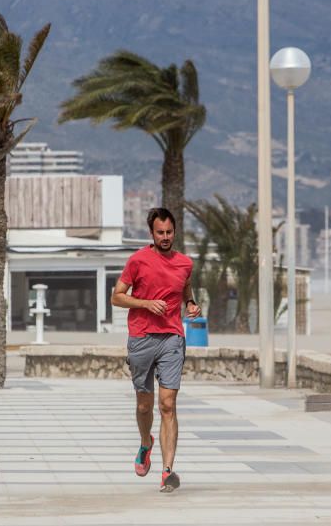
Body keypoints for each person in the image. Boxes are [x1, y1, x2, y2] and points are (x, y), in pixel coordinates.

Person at [112, 207, 200, 493]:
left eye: (169, 232)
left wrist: (190, 304)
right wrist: (145, 303)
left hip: (172, 338)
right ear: (151, 233)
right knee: (144, 405)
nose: (165, 237)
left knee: (168, 405)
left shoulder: (185, 263)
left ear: (175, 232)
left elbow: (184, 288)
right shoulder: (137, 260)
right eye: (160, 233)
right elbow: (117, 297)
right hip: (141, 338)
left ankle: (167, 471)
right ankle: (145, 442)